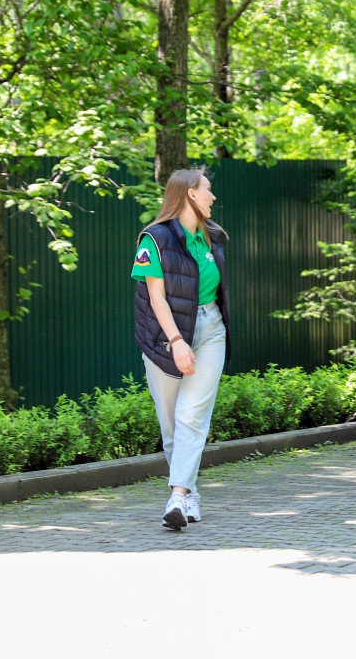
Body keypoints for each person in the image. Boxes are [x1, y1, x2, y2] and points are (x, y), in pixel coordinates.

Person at [132, 168, 230, 530]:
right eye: (208, 189)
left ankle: (176, 495)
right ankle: (189, 496)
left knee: (192, 416)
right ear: (190, 193)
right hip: (163, 335)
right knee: (173, 425)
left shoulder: (213, 236)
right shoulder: (154, 239)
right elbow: (156, 297)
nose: (212, 196)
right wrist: (177, 343)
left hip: (211, 329)